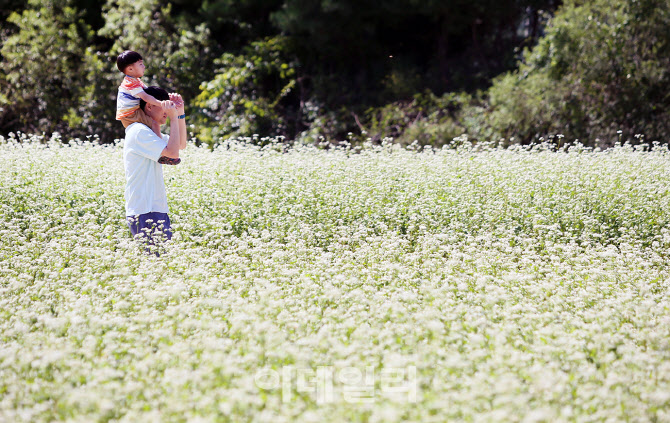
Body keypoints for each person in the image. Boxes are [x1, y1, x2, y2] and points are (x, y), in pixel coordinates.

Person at [124, 86, 187, 253]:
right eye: (163, 104)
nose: (167, 109)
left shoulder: (150, 133)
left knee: (162, 266)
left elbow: (180, 144)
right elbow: (172, 153)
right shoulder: (139, 132)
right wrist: (173, 119)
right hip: (146, 210)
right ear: (149, 106)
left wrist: (179, 113)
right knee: (157, 264)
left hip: (155, 208)